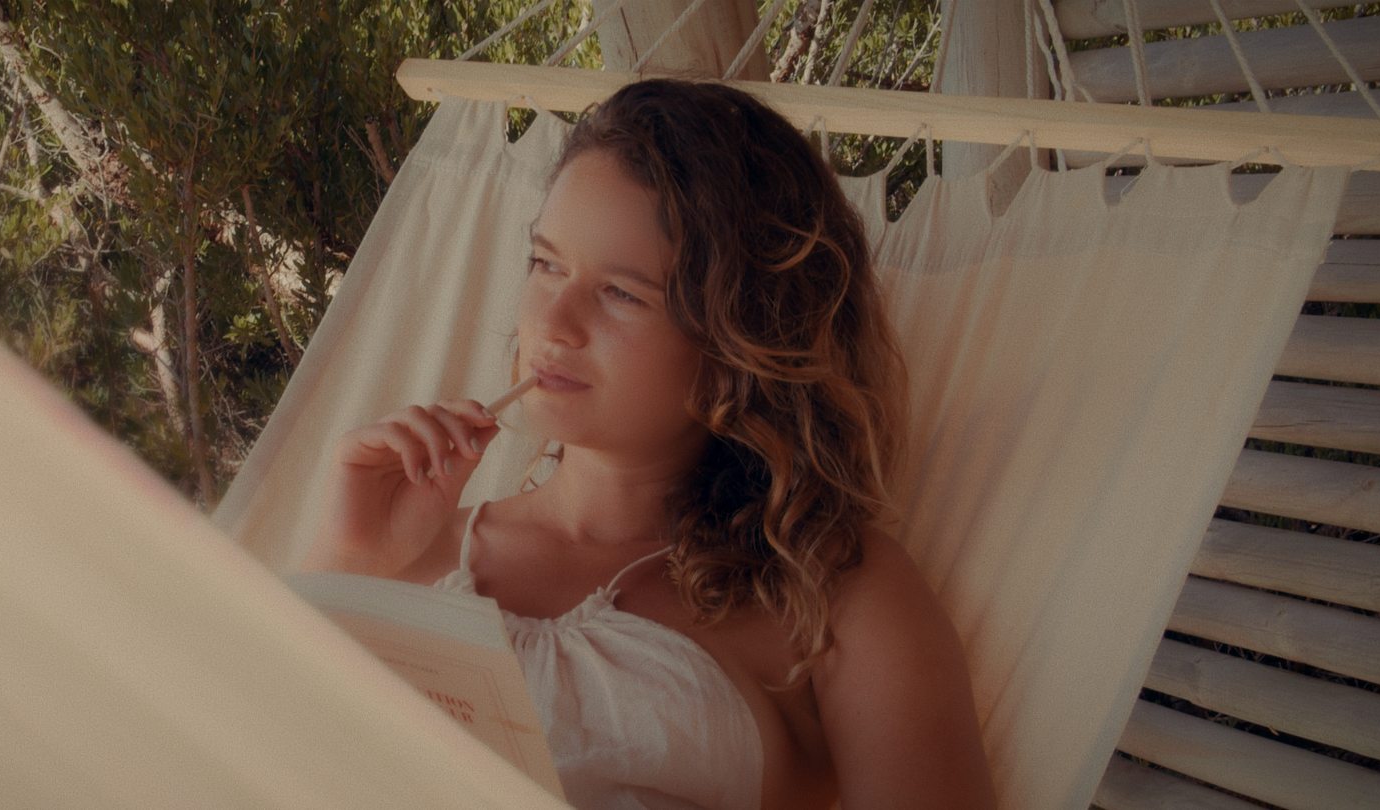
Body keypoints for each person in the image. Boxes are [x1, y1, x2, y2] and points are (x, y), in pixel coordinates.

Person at [302, 79, 993, 810]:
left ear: (742, 340)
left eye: (621, 294)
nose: (554, 323)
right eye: (546, 264)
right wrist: (349, 566)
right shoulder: (411, 549)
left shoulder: (834, 592)